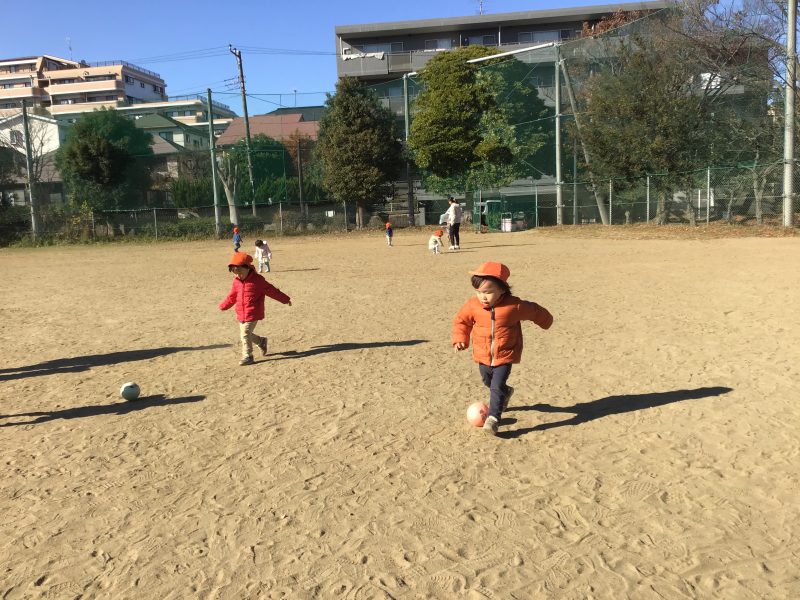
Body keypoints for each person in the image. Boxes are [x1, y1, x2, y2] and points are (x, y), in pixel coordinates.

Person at [452, 261, 553, 436]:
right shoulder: (473, 305)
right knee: (487, 381)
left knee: (496, 387)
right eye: (478, 292)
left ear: (502, 290)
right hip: (482, 355)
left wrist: (546, 321)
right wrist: (460, 339)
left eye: (488, 292)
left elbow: (534, 310)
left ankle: (493, 419)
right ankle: (507, 392)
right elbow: (462, 321)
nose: (482, 296)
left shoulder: (513, 306)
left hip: (505, 354)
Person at [219, 252, 291, 366]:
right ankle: (261, 341)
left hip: (253, 312)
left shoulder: (258, 280)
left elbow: (272, 291)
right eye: (235, 272)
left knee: (245, 333)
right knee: (246, 333)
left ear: (247, 268)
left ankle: (248, 356)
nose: (238, 275)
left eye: (240, 272)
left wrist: (285, 299)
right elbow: (232, 296)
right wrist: (224, 305)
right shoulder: (236, 281)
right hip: (241, 312)